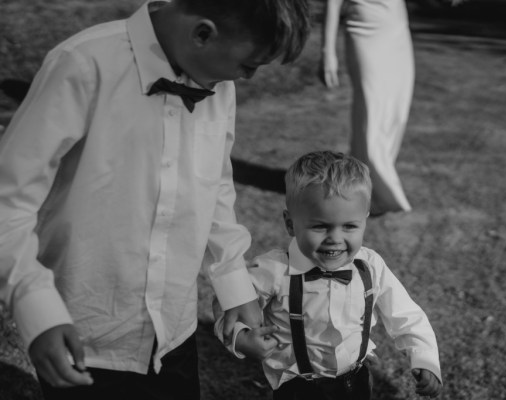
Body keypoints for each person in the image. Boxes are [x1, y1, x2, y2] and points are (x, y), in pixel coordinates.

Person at [0, 1, 310, 399]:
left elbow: (214, 185)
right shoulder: (82, 64)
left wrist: (234, 285)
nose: (247, 77)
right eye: (250, 64)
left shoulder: (218, 85)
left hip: (173, 333)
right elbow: (9, 200)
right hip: (88, 333)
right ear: (202, 33)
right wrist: (36, 310)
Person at [214, 150, 442, 399]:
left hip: (355, 380)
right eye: (320, 226)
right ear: (290, 223)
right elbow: (229, 305)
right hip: (299, 387)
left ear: (364, 221)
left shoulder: (370, 266)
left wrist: (424, 358)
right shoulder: (274, 270)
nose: (335, 239)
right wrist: (241, 338)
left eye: (350, 226)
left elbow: (406, 314)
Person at [318, 0, 415, 215]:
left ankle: (362, 184)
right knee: (372, 109)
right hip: (365, 29)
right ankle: (379, 192)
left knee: (396, 111)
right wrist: (328, 51)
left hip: (397, 27)